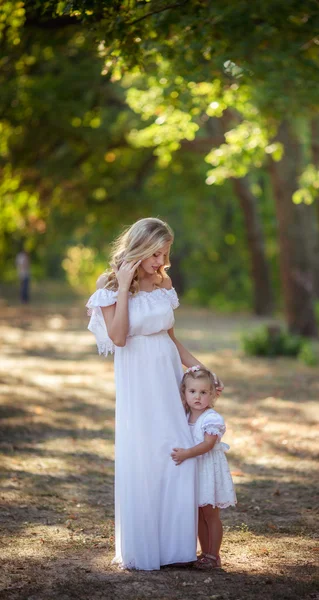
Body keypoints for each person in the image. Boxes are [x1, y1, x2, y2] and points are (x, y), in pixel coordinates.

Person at [86, 218, 222, 571]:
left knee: (176, 452)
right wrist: (126, 284)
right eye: (155, 253)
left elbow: (172, 339)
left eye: (165, 253)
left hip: (167, 378)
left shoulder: (165, 283)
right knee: (145, 455)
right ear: (140, 247)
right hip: (138, 381)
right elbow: (118, 337)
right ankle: (145, 549)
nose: (161, 260)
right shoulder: (110, 284)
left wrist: (202, 372)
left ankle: (176, 549)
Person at [171, 366, 236, 570]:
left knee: (210, 514)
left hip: (208, 471)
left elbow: (208, 445)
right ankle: (204, 552)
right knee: (198, 514)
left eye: (203, 392)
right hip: (194, 472)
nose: (197, 397)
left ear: (213, 394)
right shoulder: (184, 415)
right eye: (192, 392)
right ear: (184, 393)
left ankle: (213, 555)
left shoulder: (211, 419)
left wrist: (186, 454)